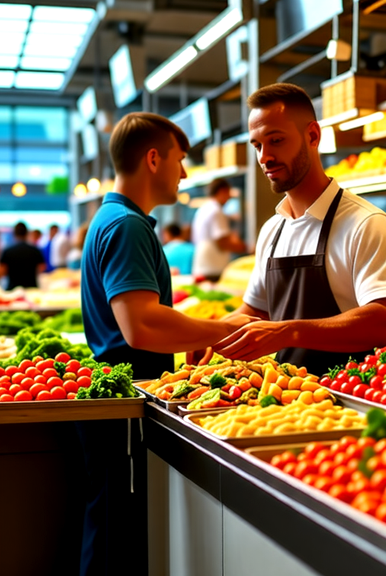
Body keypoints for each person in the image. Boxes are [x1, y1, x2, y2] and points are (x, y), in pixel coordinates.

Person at [78, 112, 254, 576]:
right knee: (116, 535)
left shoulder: (115, 218)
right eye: (179, 160)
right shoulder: (128, 226)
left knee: (113, 526)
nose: (184, 173)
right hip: (126, 398)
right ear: (153, 159)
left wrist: (195, 335)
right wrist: (225, 331)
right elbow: (140, 325)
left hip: (123, 391)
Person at [212, 83, 386, 375]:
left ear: (313, 136)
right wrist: (211, 334)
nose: (264, 157)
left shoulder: (367, 224)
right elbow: (257, 311)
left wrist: (289, 332)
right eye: (257, 145)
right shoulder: (272, 230)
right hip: (286, 401)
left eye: (276, 140)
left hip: (347, 404)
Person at [191, 178, 247, 281]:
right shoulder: (216, 211)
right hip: (213, 269)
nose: (229, 197)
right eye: (228, 193)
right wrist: (246, 248)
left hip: (202, 265)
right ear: (222, 191)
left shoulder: (203, 209)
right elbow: (223, 243)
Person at [0, 222, 45, 290]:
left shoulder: (7, 251)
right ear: (26, 233)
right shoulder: (35, 250)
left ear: (14, 234)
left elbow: (0, 273)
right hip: (32, 290)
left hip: (12, 290)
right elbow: (42, 268)